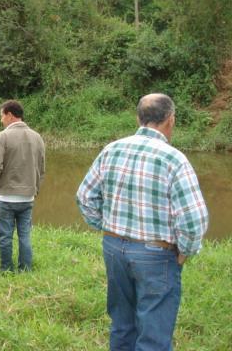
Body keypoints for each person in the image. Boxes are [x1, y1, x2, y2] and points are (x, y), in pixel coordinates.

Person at [77, 93, 209, 351]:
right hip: (156, 254)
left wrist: (107, 226)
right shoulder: (174, 159)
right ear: (170, 120)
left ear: (138, 118)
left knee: (122, 324)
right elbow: (194, 219)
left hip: (114, 248)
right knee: (154, 334)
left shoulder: (112, 149)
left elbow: (85, 197)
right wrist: (186, 251)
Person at [0, 100, 45, 272]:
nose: (1, 120)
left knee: (5, 235)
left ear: (9, 115)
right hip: (28, 197)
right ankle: (25, 269)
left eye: (2, 116)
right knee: (25, 235)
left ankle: (6, 269)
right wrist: (34, 189)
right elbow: (42, 169)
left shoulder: (3, 136)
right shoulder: (37, 137)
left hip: (5, 196)